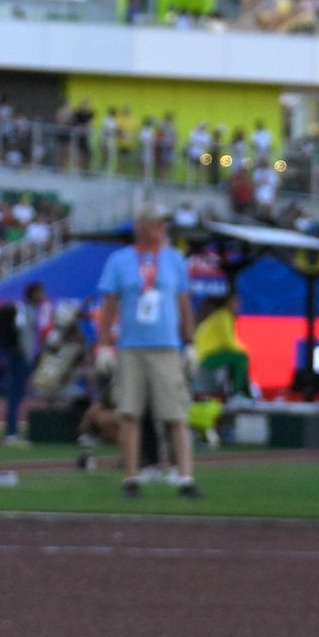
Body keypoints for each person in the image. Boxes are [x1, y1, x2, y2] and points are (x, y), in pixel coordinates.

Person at [93, 208, 198, 496]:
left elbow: (184, 303)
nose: (162, 228)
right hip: (131, 347)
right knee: (129, 413)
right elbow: (109, 305)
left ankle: (185, 477)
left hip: (166, 347)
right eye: (157, 224)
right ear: (141, 226)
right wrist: (103, 345)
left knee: (176, 414)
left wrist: (189, 342)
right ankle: (131, 477)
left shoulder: (174, 259)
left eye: (164, 224)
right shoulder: (120, 260)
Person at [0, 285, 29, 432]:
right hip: (15, 355)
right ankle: (11, 432)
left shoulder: (5, 314)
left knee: (13, 392)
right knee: (15, 393)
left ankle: (11, 431)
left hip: (9, 353)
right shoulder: (19, 314)